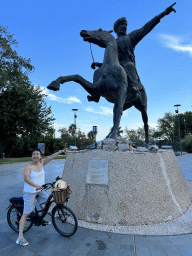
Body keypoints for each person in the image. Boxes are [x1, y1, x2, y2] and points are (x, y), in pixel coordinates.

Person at [91, 3, 176, 96]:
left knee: (129, 65)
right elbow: (110, 59)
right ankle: (96, 94)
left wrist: (163, 13)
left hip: (127, 66)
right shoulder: (113, 42)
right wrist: (99, 64)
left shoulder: (131, 37)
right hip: (117, 67)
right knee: (99, 73)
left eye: (125, 25)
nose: (124, 27)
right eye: (122, 25)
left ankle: (134, 86)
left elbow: (146, 27)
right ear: (116, 29)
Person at [16, 148, 67, 246]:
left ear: (40, 156)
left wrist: (60, 151)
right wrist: (36, 186)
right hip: (30, 192)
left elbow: (51, 156)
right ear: (32, 156)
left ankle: (40, 218)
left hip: (40, 190)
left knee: (47, 203)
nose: (35, 156)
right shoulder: (28, 166)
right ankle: (20, 237)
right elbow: (26, 178)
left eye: (37, 154)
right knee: (26, 213)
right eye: (33, 154)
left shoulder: (42, 163)